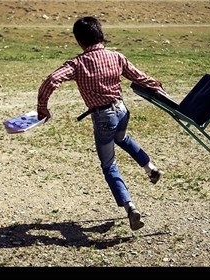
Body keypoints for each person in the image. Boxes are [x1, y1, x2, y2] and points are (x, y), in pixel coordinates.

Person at [37, 16, 164, 231]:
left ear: (79, 41)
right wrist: (158, 86)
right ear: (100, 34)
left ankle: (130, 207)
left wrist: (42, 107)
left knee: (109, 164)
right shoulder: (116, 57)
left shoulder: (77, 64)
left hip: (103, 117)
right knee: (122, 137)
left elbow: (51, 80)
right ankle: (150, 167)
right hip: (122, 110)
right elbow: (140, 77)